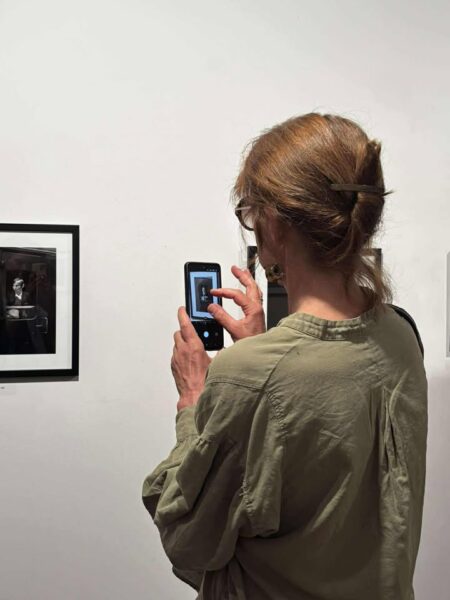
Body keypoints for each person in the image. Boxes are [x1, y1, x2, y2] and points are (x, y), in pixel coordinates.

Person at [141, 112, 428, 599]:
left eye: (250, 215)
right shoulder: (401, 334)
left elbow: (188, 538)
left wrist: (193, 400)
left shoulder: (249, 376)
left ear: (273, 224)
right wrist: (260, 352)